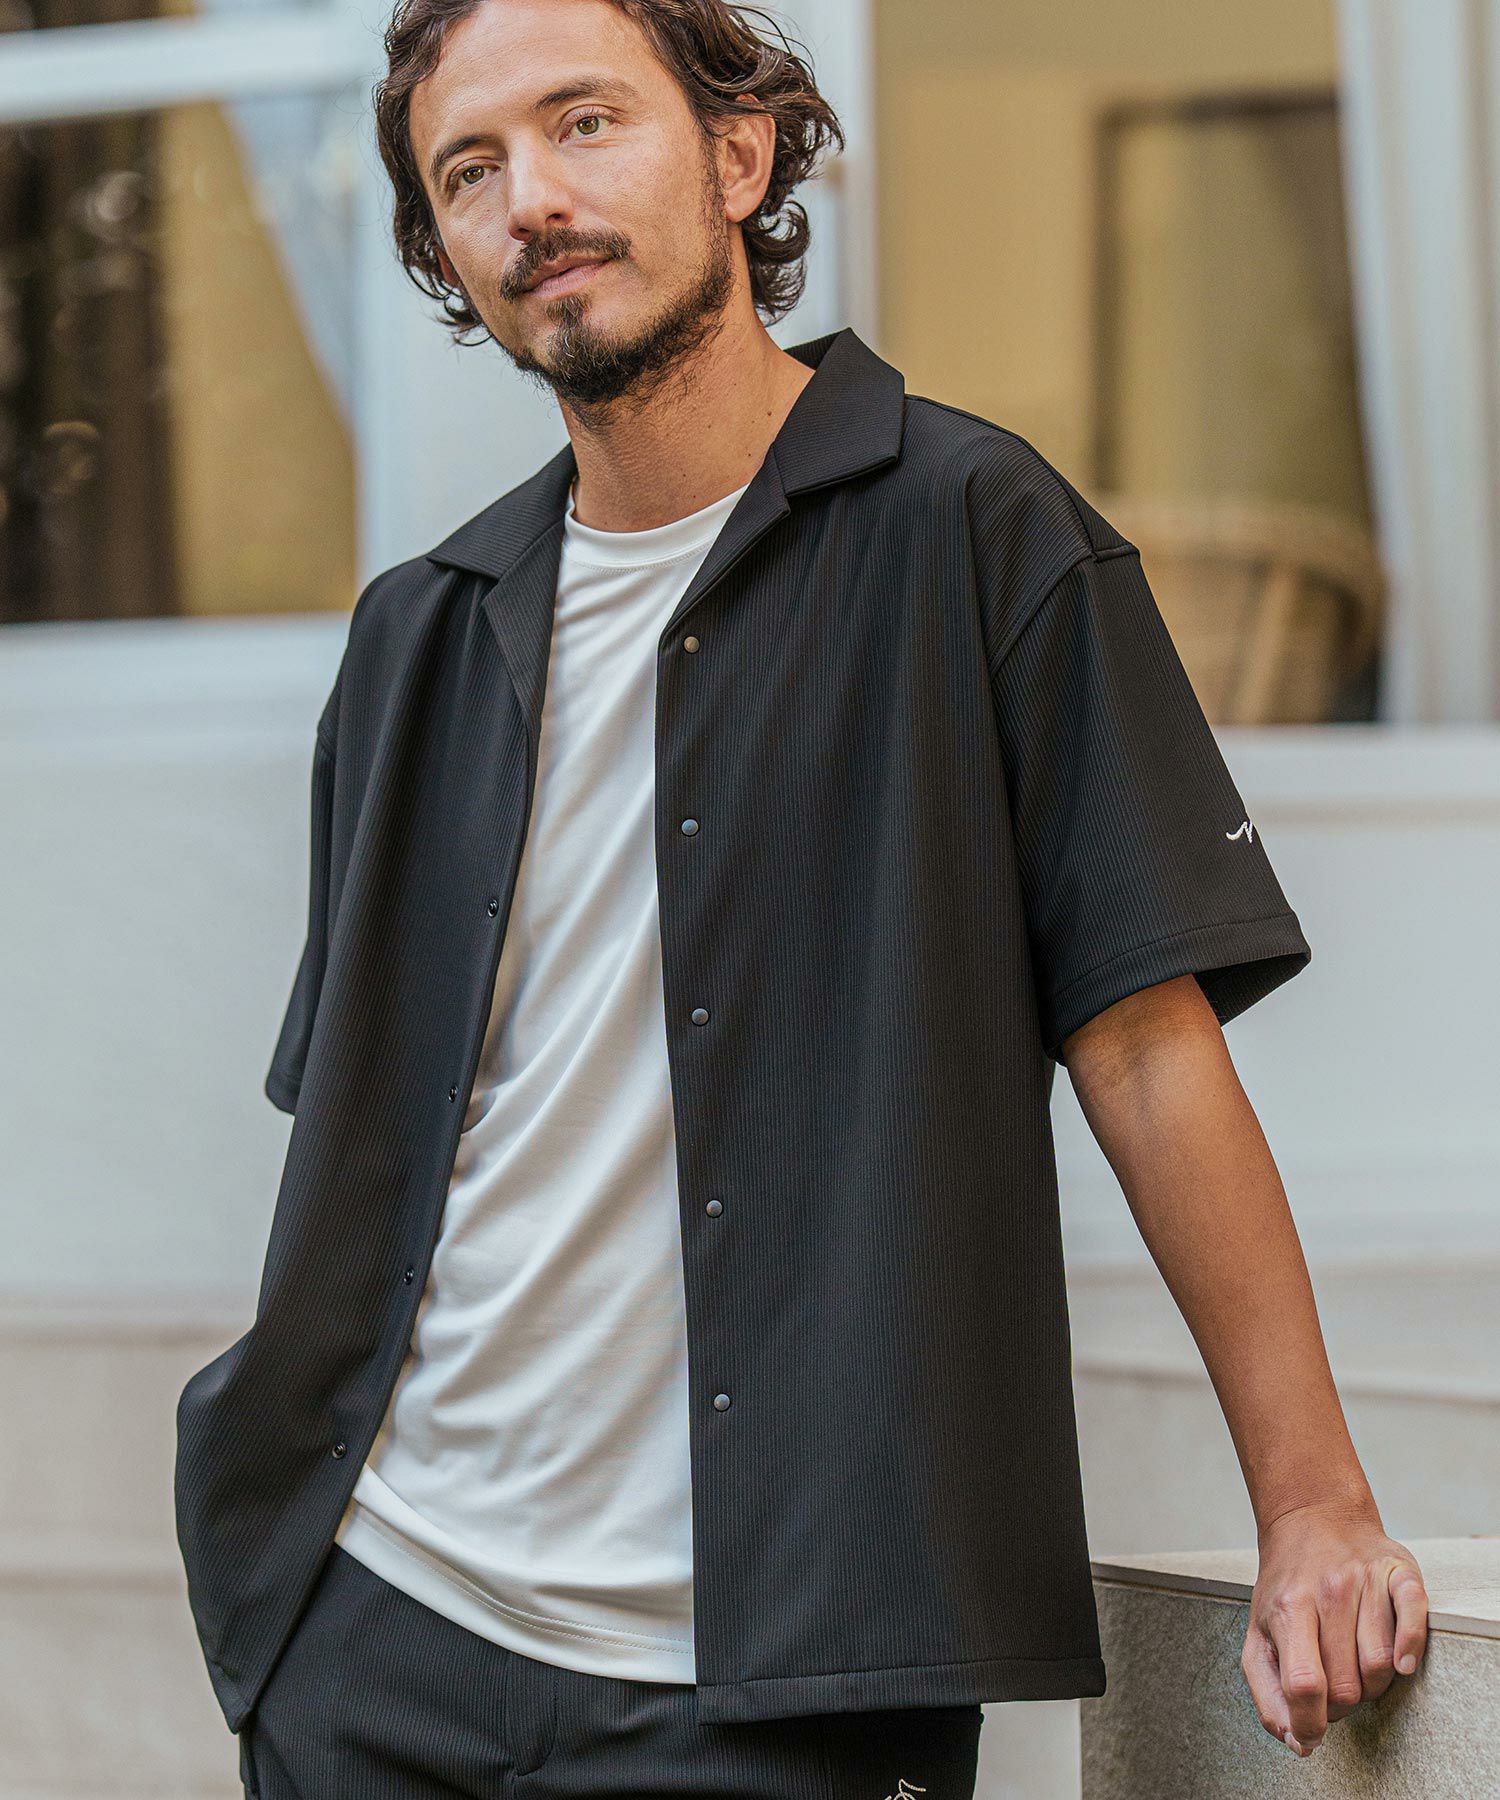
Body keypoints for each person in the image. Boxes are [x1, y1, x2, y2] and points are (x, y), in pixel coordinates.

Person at [175, 1, 1430, 1795]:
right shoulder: (421, 634)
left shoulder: (977, 532)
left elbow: (1151, 1053)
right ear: (445, 247)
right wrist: (288, 1614)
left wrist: (1312, 1504)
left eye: (585, 121)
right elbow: (373, 1140)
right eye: (471, 168)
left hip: (788, 1692)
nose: (532, 198)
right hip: (380, 1642)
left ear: (737, 152)